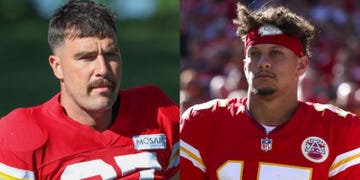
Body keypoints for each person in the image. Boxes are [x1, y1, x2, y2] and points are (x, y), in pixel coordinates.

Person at [0, 0, 179, 179]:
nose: (103, 69)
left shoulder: (156, 112)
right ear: (57, 67)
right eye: (86, 57)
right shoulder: (20, 134)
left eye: (110, 54)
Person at [180, 3, 360, 179]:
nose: (263, 62)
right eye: (254, 53)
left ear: (301, 65)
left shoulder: (338, 130)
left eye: (276, 53)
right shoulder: (202, 123)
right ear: (244, 66)